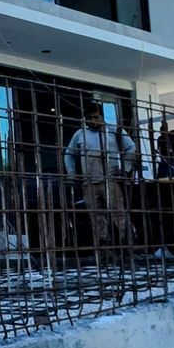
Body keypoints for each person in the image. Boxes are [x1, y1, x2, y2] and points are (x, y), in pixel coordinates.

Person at [63, 105, 138, 261]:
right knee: (97, 217)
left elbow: (131, 147)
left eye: (96, 117)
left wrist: (126, 168)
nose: (93, 121)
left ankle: (128, 247)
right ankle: (104, 250)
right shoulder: (80, 133)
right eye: (89, 118)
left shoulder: (114, 130)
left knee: (119, 214)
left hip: (109, 179)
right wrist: (71, 173)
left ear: (102, 117)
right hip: (89, 181)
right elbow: (68, 154)